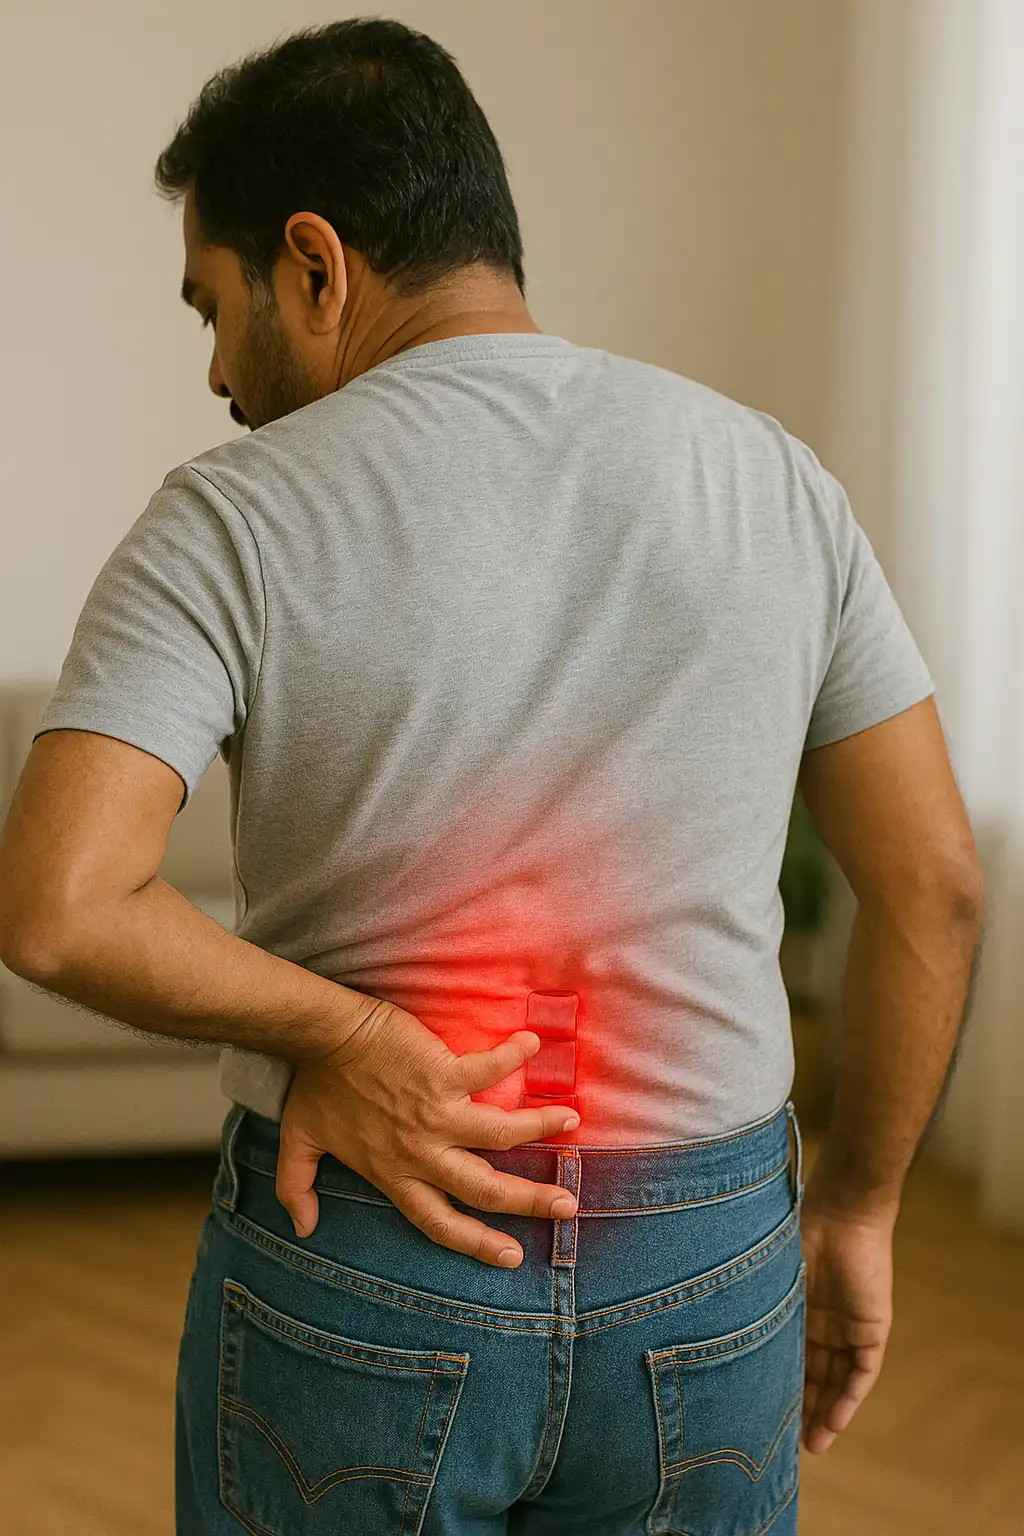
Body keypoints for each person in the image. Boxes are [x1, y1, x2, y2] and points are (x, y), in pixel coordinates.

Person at [0, 17, 984, 1536]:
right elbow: (932, 886)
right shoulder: (769, 477)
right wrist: (855, 1212)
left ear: (315, 266)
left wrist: (349, 1037)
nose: (215, 368)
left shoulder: (234, 517)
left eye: (214, 304)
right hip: (709, 1259)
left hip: (373, 1234)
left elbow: (59, 904)